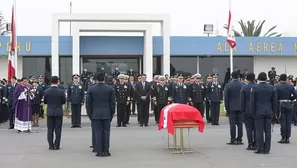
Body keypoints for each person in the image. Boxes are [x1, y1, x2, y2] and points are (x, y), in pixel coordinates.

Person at [86, 72, 115, 157]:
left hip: (95, 113)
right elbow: (112, 103)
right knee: (106, 132)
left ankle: (99, 151)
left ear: (96, 79)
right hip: (107, 113)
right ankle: (106, 151)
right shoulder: (110, 88)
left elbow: (88, 104)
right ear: (104, 79)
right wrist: (111, 114)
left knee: (98, 133)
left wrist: (90, 115)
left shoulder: (91, 89)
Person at [250, 72, 277, 154]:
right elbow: (274, 102)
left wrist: (252, 113)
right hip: (269, 111)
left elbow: (252, 102)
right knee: (268, 131)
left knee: (259, 131)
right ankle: (267, 148)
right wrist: (274, 112)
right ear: (266, 79)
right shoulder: (272, 88)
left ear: (258, 79)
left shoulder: (255, 88)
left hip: (258, 112)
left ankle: (260, 148)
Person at [44, 76, 66, 150]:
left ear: (51, 82)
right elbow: (64, 101)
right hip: (58, 111)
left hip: (50, 111)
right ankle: (57, 145)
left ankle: (50, 145)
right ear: (57, 82)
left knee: (50, 129)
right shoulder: (61, 91)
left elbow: (45, 101)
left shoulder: (46, 91)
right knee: (58, 129)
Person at [274, 74, 297, 144]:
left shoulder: (277, 86)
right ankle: (287, 138)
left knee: (283, 122)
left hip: (281, 105)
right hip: (289, 104)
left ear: (280, 79)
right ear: (286, 79)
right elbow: (296, 94)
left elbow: (276, 97)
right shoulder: (290, 86)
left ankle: (283, 137)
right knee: (288, 122)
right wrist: (290, 99)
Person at [224, 71, 245, 145]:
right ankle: (239, 139)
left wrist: (226, 108)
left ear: (231, 76)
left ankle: (232, 139)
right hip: (241, 106)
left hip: (231, 106)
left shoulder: (228, 85)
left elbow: (226, 98)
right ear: (238, 76)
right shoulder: (242, 84)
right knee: (240, 123)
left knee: (232, 124)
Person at [240, 73, 257, 150]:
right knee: (256, 128)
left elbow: (242, 101)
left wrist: (242, 110)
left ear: (247, 79)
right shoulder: (257, 86)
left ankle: (250, 143)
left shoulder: (244, 87)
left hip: (247, 110)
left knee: (249, 128)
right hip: (257, 110)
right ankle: (256, 142)